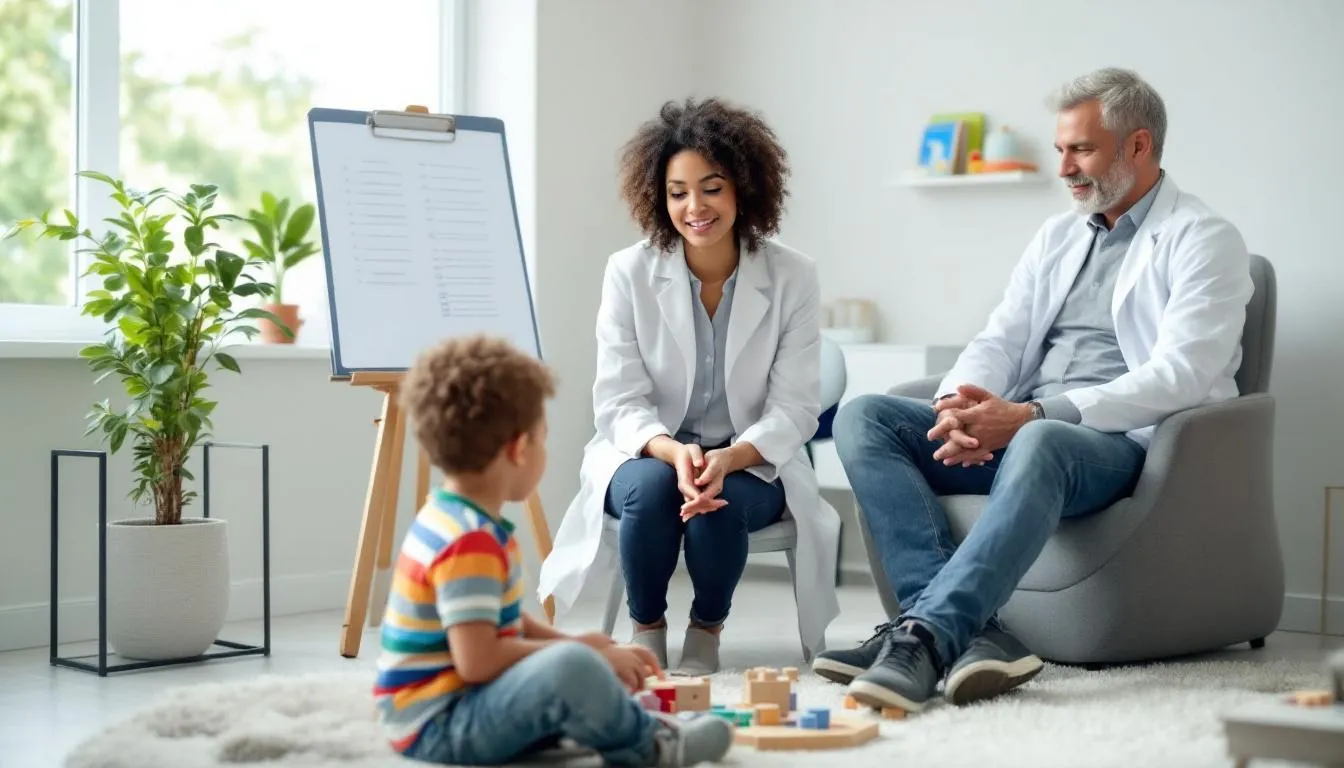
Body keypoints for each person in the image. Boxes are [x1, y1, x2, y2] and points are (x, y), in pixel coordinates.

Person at [813, 68, 1254, 712]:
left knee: (1044, 438)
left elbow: (1181, 374)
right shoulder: (1058, 235)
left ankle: (926, 637)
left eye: (1083, 149)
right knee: (864, 417)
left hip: (1111, 444)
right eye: (1061, 151)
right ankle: (966, 632)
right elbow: (1001, 338)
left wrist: (1030, 415)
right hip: (1023, 428)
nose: (1067, 167)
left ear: (1138, 145)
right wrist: (958, 409)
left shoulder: (1205, 239)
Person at [537, 97, 840, 676]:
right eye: (678, 192)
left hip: (755, 458)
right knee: (653, 493)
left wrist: (729, 457)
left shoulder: (794, 275)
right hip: (647, 450)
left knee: (716, 508)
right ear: (659, 196)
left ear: (744, 189)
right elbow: (618, 401)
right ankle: (645, 628)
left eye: (711, 187)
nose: (694, 207)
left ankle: (707, 629)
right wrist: (675, 452)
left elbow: (796, 409)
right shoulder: (628, 272)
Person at [373, 334, 733, 766]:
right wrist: (582, 655)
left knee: (574, 658)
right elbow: (479, 659)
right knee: (571, 668)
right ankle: (651, 748)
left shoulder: (451, 517)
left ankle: (602, 720)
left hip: (446, 713)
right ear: (519, 449)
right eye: (543, 440)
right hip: (442, 727)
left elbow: (498, 620)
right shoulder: (469, 541)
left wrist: (576, 640)